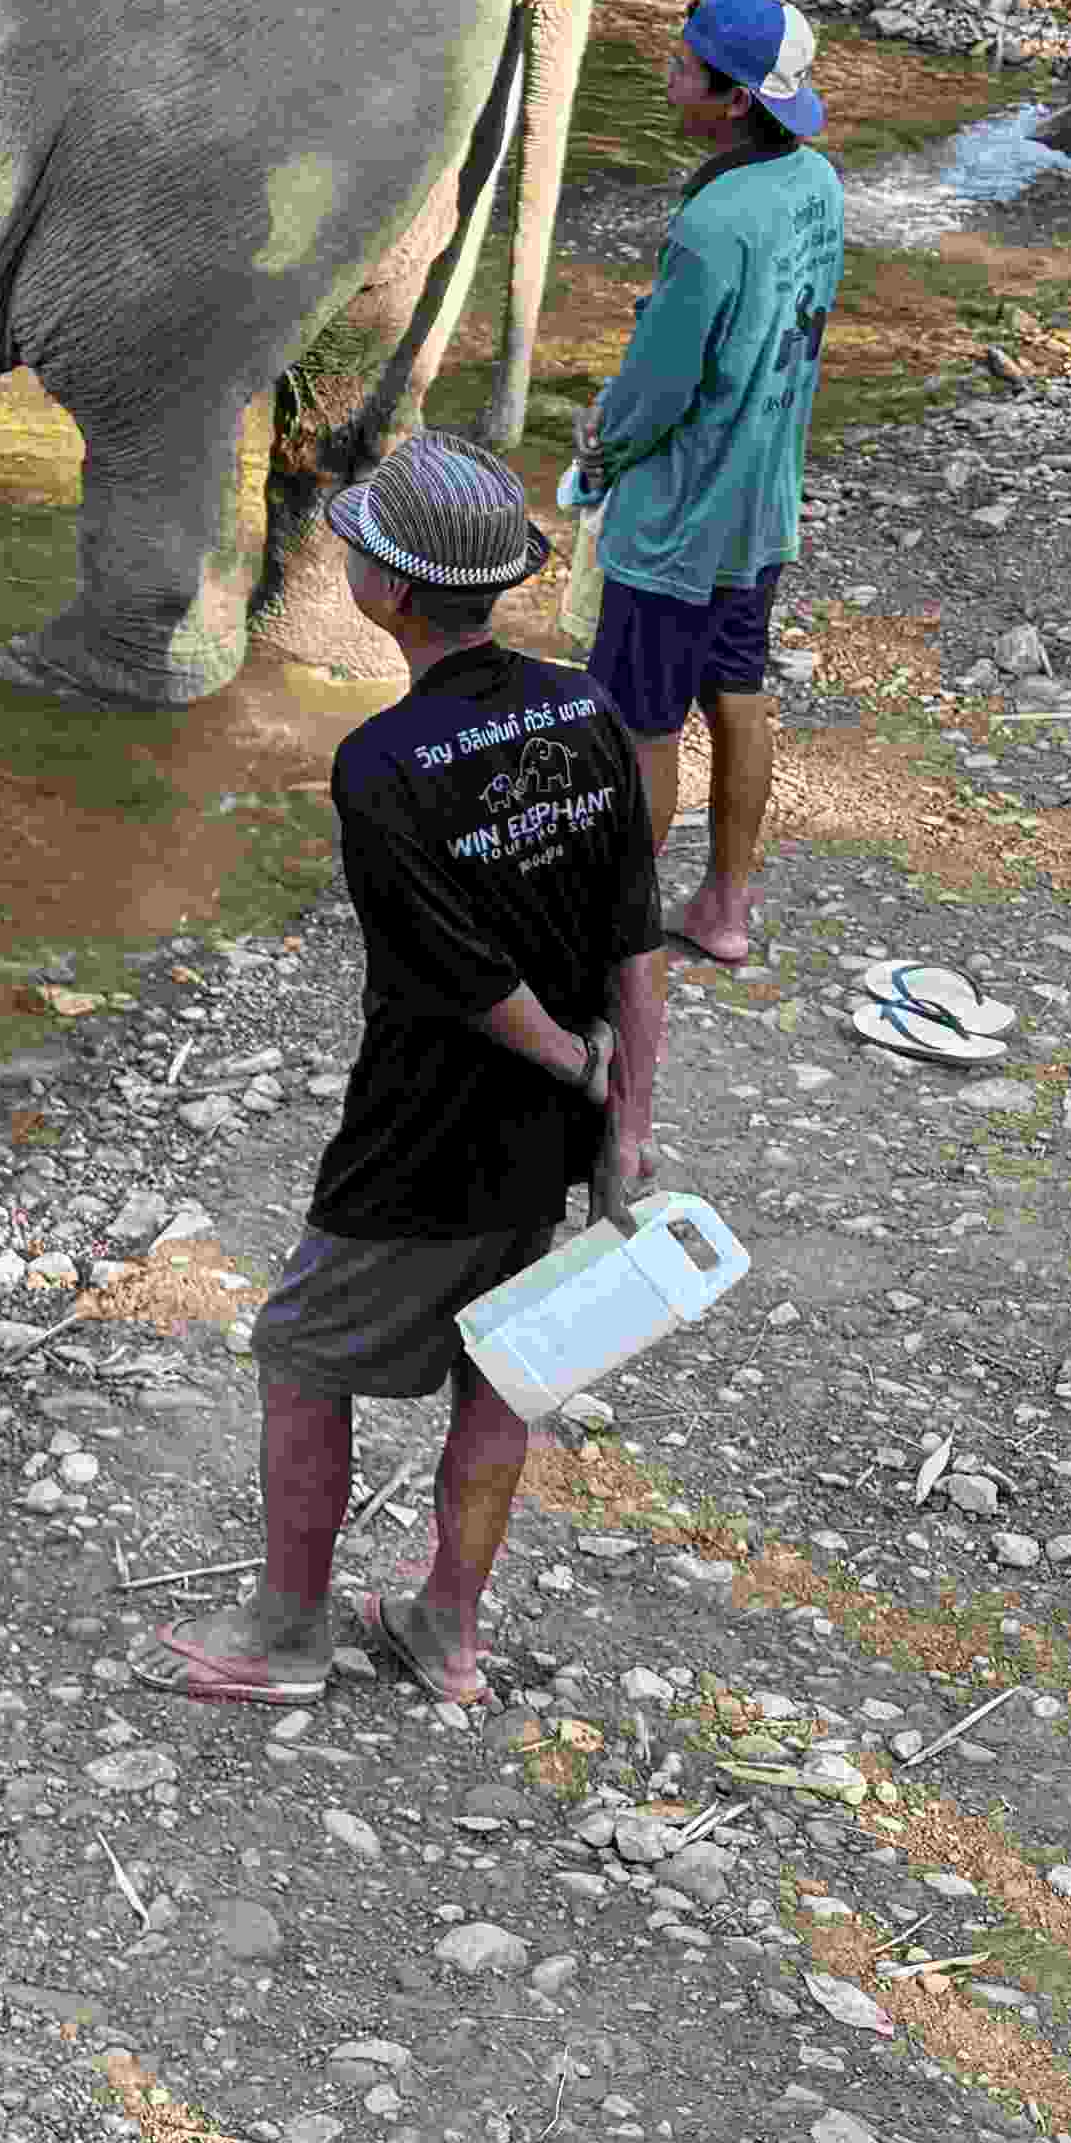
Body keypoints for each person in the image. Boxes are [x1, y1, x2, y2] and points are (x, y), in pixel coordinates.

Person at [142, 434, 666, 1711]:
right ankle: (447, 1632)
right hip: (558, 1136)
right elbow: (637, 936)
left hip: (426, 1130)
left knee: (301, 1352)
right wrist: (624, 1112)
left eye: (360, 546)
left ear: (386, 588)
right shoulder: (587, 710)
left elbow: (472, 984)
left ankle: (288, 1634)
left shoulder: (380, 768)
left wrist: (567, 1060)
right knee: (504, 1365)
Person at [565, 0, 848, 972]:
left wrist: (599, 449)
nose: (667, 73)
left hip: (681, 519)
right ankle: (725, 904)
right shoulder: (816, 187)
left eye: (684, 65)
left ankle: (614, 927)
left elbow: (662, 389)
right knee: (738, 693)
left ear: (734, 101)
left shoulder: (712, 225)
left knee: (640, 723)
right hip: (761, 504)